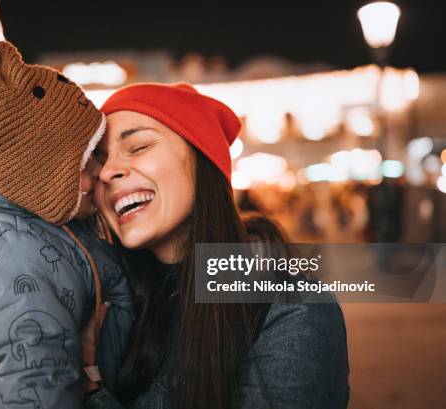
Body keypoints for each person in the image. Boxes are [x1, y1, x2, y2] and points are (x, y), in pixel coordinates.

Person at [85, 83, 349, 409]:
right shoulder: (110, 303)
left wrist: (88, 390)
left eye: (138, 146)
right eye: (98, 160)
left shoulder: (292, 312)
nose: (108, 172)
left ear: (203, 160)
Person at [0, 24, 134, 408]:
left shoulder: (57, 231)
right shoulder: (16, 253)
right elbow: (38, 383)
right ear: (37, 174)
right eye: (85, 159)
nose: (99, 172)